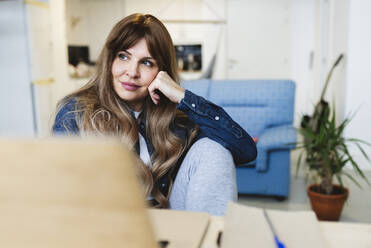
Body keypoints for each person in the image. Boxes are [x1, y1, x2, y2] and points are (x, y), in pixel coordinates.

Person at [52, 13, 257, 216]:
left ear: (162, 71)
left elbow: (246, 150)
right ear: (110, 60)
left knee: (213, 150)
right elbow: (59, 194)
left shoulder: (175, 119)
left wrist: (182, 96)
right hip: (106, 222)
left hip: (167, 219)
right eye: (123, 56)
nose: (132, 72)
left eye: (147, 62)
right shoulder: (76, 111)